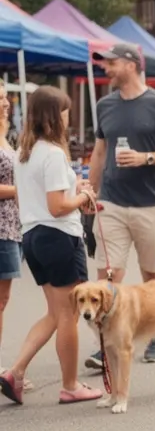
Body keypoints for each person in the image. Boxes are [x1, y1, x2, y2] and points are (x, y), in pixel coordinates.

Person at [86, 43, 155, 369]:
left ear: (131, 64)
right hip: (111, 202)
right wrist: (92, 191)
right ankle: (107, 341)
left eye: (111, 63)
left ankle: (152, 333)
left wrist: (147, 158)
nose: (105, 68)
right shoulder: (104, 105)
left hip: (149, 203)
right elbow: (100, 152)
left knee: (151, 274)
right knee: (107, 275)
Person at [0, 88, 101, 406]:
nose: (68, 116)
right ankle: (70, 384)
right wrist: (83, 196)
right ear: (55, 115)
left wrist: (74, 185)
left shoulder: (24, 152)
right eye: (66, 111)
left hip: (33, 236)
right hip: (58, 236)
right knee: (69, 314)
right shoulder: (54, 153)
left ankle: (15, 372)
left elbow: (42, 194)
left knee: (55, 313)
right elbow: (58, 206)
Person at [0, 86, 21, 366]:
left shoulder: (5, 135)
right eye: (0, 97)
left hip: (11, 226)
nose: (6, 102)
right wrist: (22, 190)